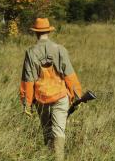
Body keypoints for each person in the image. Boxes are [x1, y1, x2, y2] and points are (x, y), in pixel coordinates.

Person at [19, 18, 82, 161]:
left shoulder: (30, 53)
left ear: (35, 33)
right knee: (59, 131)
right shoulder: (60, 49)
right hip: (60, 97)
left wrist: (27, 104)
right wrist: (77, 95)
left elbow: (28, 81)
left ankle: (49, 157)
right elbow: (70, 75)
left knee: (47, 132)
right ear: (48, 31)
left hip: (42, 100)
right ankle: (58, 158)